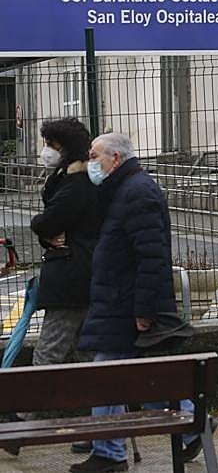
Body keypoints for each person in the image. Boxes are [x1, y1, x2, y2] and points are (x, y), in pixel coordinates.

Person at [70, 132, 204, 473]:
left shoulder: (136, 192)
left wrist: (145, 310)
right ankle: (192, 426)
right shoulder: (122, 190)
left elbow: (152, 257)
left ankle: (109, 453)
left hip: (124, 304)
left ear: (116, 159)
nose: (91, 163)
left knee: (108, 376)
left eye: (95, 155)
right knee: (136, 377)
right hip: (118, 302)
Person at [3, 119, 99, 455]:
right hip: (79, 274)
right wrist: (48, 233)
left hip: (71, 277)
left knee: (50, 351)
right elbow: (53, 227)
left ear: (65, 147)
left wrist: (43, 229)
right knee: (92, 354)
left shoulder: (77, 182)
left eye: (51, 144)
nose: (46, 151)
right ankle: (99, 424)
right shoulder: (73, 179)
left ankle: (19, 423)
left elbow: (49, 221)